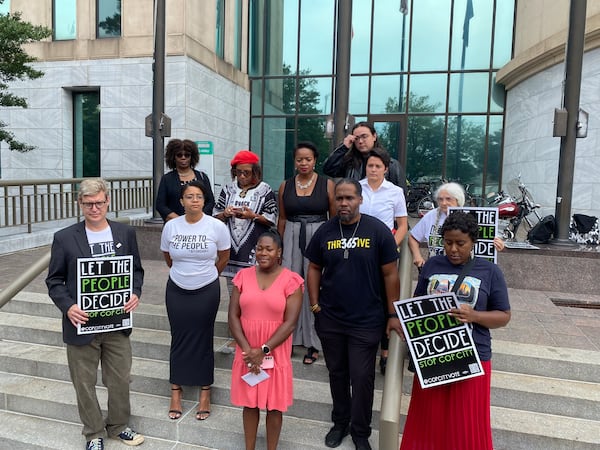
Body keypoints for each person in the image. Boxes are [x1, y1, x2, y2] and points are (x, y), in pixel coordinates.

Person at [398, 211, 511, 450]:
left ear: (473, 242)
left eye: (461, 243)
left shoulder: (489, 271)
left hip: (473, 356)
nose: (453, 249)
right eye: (448, 242)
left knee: (467, 423)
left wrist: (475, 316)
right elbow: (418, 303)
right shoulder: (431, 265)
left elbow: (504, 316)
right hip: (433, 355)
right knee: (428, 420)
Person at [46, 178, 145, 450]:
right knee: (84, 383)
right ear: (80, 204)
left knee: (120, 379)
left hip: (116, 323)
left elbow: (135, 270)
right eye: (88, 203)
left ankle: (119, 426)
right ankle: (93, 433)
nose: (94, 208)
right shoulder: (65, 238)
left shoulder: (125, 234)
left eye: (99, 202)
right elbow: (54, 281)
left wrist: (135, 292)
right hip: (81, 325)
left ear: (108, 201)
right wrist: (68, 306)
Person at [306, 179, 400, 450]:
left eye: (349, 198)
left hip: (367, 319)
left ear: (360, 200)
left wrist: (392, 313)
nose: (344, 203)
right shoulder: (326, 230)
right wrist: (315, 304)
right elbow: (313, 267)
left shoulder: (377, 230)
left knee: (361, 377)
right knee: (337, 373)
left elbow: (391, 274)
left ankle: (360, 432)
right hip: (331, 318)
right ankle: (340, 421)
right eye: (339, 199)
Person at [160, 181, 230, 421]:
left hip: (206, 289)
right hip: (177, 289)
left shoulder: (216, 226)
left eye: (199, 196)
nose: (194, 200)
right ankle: (176, 393)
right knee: (177, 337)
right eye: (189, 196)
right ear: (181, 201)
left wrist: (208, 275)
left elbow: (224, 255)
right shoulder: (171, 226)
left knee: (203, 336)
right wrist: (184, 272)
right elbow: (168, 257)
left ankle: (204, 392)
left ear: (204, 200)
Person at [228, 230, 303, 450]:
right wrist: (247, 350)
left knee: (274, 406)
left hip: (274, 351)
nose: (263, 253)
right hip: (246, 350)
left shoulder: (292, 281)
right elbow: (233, 315)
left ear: (279, 252)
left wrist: (263, 350)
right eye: (259, 248)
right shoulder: (243, 276)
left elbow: (290, 323)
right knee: (249, 404)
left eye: (269, 249)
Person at [277, 141, 335, 365]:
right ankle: (288, 338)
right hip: (291, 236)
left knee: (314, 288)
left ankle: (313, 342)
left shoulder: (327, 184)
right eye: (299, 159)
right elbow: (282, 218)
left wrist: (330, 247)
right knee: (290, 289)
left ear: (315, 161)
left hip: (318, 236)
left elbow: (332, 218)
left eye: (308, 159)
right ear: (294, 161)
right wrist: (279, 246)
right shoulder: (285, 185)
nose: (303, 163)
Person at [358, 148, 408, 375]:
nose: (374, 170)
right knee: (362, 298)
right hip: (358, 251)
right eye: (370, 166)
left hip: (384, 253)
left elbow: (403, 225)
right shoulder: (357, 188)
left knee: (386, 300)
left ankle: (385, 351)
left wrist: (390, 247)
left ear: (386, 169)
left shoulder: (395, 192)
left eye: (378, 166)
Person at [408, 182, 505, 269]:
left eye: (448, 199)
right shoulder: (431, 216)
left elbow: (488, 240)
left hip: (466, 269)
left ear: (458, 200)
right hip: (437, 267)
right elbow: (413, 237)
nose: (444, 203)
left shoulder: (471, 216)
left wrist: (498, 244)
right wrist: (417, 257)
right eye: (440, 199)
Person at [213, 149, 278, 279]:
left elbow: (271, 219)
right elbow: (215, 216)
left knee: (253, 287)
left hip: (255, 246)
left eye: (246, 173)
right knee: (232, 287)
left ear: (255, 172)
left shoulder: (265, 190)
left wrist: (252, 216)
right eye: (238, 172)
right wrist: (226, 214)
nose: (242, 176)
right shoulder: (228, 189)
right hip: (230, 247)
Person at [323, 121, 407, 193]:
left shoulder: (391, 164)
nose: (360, 141)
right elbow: (328, 169)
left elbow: (401, 195)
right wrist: (343, 147)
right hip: (355, 209)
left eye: (364, 136)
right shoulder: (350, 163)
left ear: (374, 136)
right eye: (357, 138)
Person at [156, 138, 215, 221]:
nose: (183, 158)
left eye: (187, 155)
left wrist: (199, 218)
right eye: (179, 155)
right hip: (176, 225)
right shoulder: (167, 179)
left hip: (200, 224)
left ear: (192, 157)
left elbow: (210, 201)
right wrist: (179, 220)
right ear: (173, 157)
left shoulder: (202, 177)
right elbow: (160, 205)